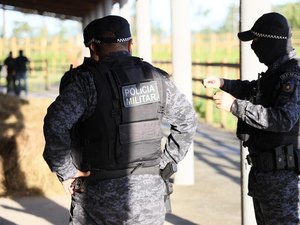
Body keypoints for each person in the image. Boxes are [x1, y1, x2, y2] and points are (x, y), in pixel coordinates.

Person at [43, 15, 197, 225]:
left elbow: (55, 124)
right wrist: (166, 163)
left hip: (98, 198)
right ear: (130, 44)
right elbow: (187, 120)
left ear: (93, 49)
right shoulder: (156, 78)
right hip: (150, 197)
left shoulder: (86, 83)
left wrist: (67, 172)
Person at [203, 12, 300, 225]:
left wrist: (234, 105)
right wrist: (223, 83)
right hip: (264, 174)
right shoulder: (274, 74)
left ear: (270, 41)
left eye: (256, 40)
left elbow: (284, 119)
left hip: (280, 179)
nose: (253, 46)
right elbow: (253, 89)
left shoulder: (292, 75)